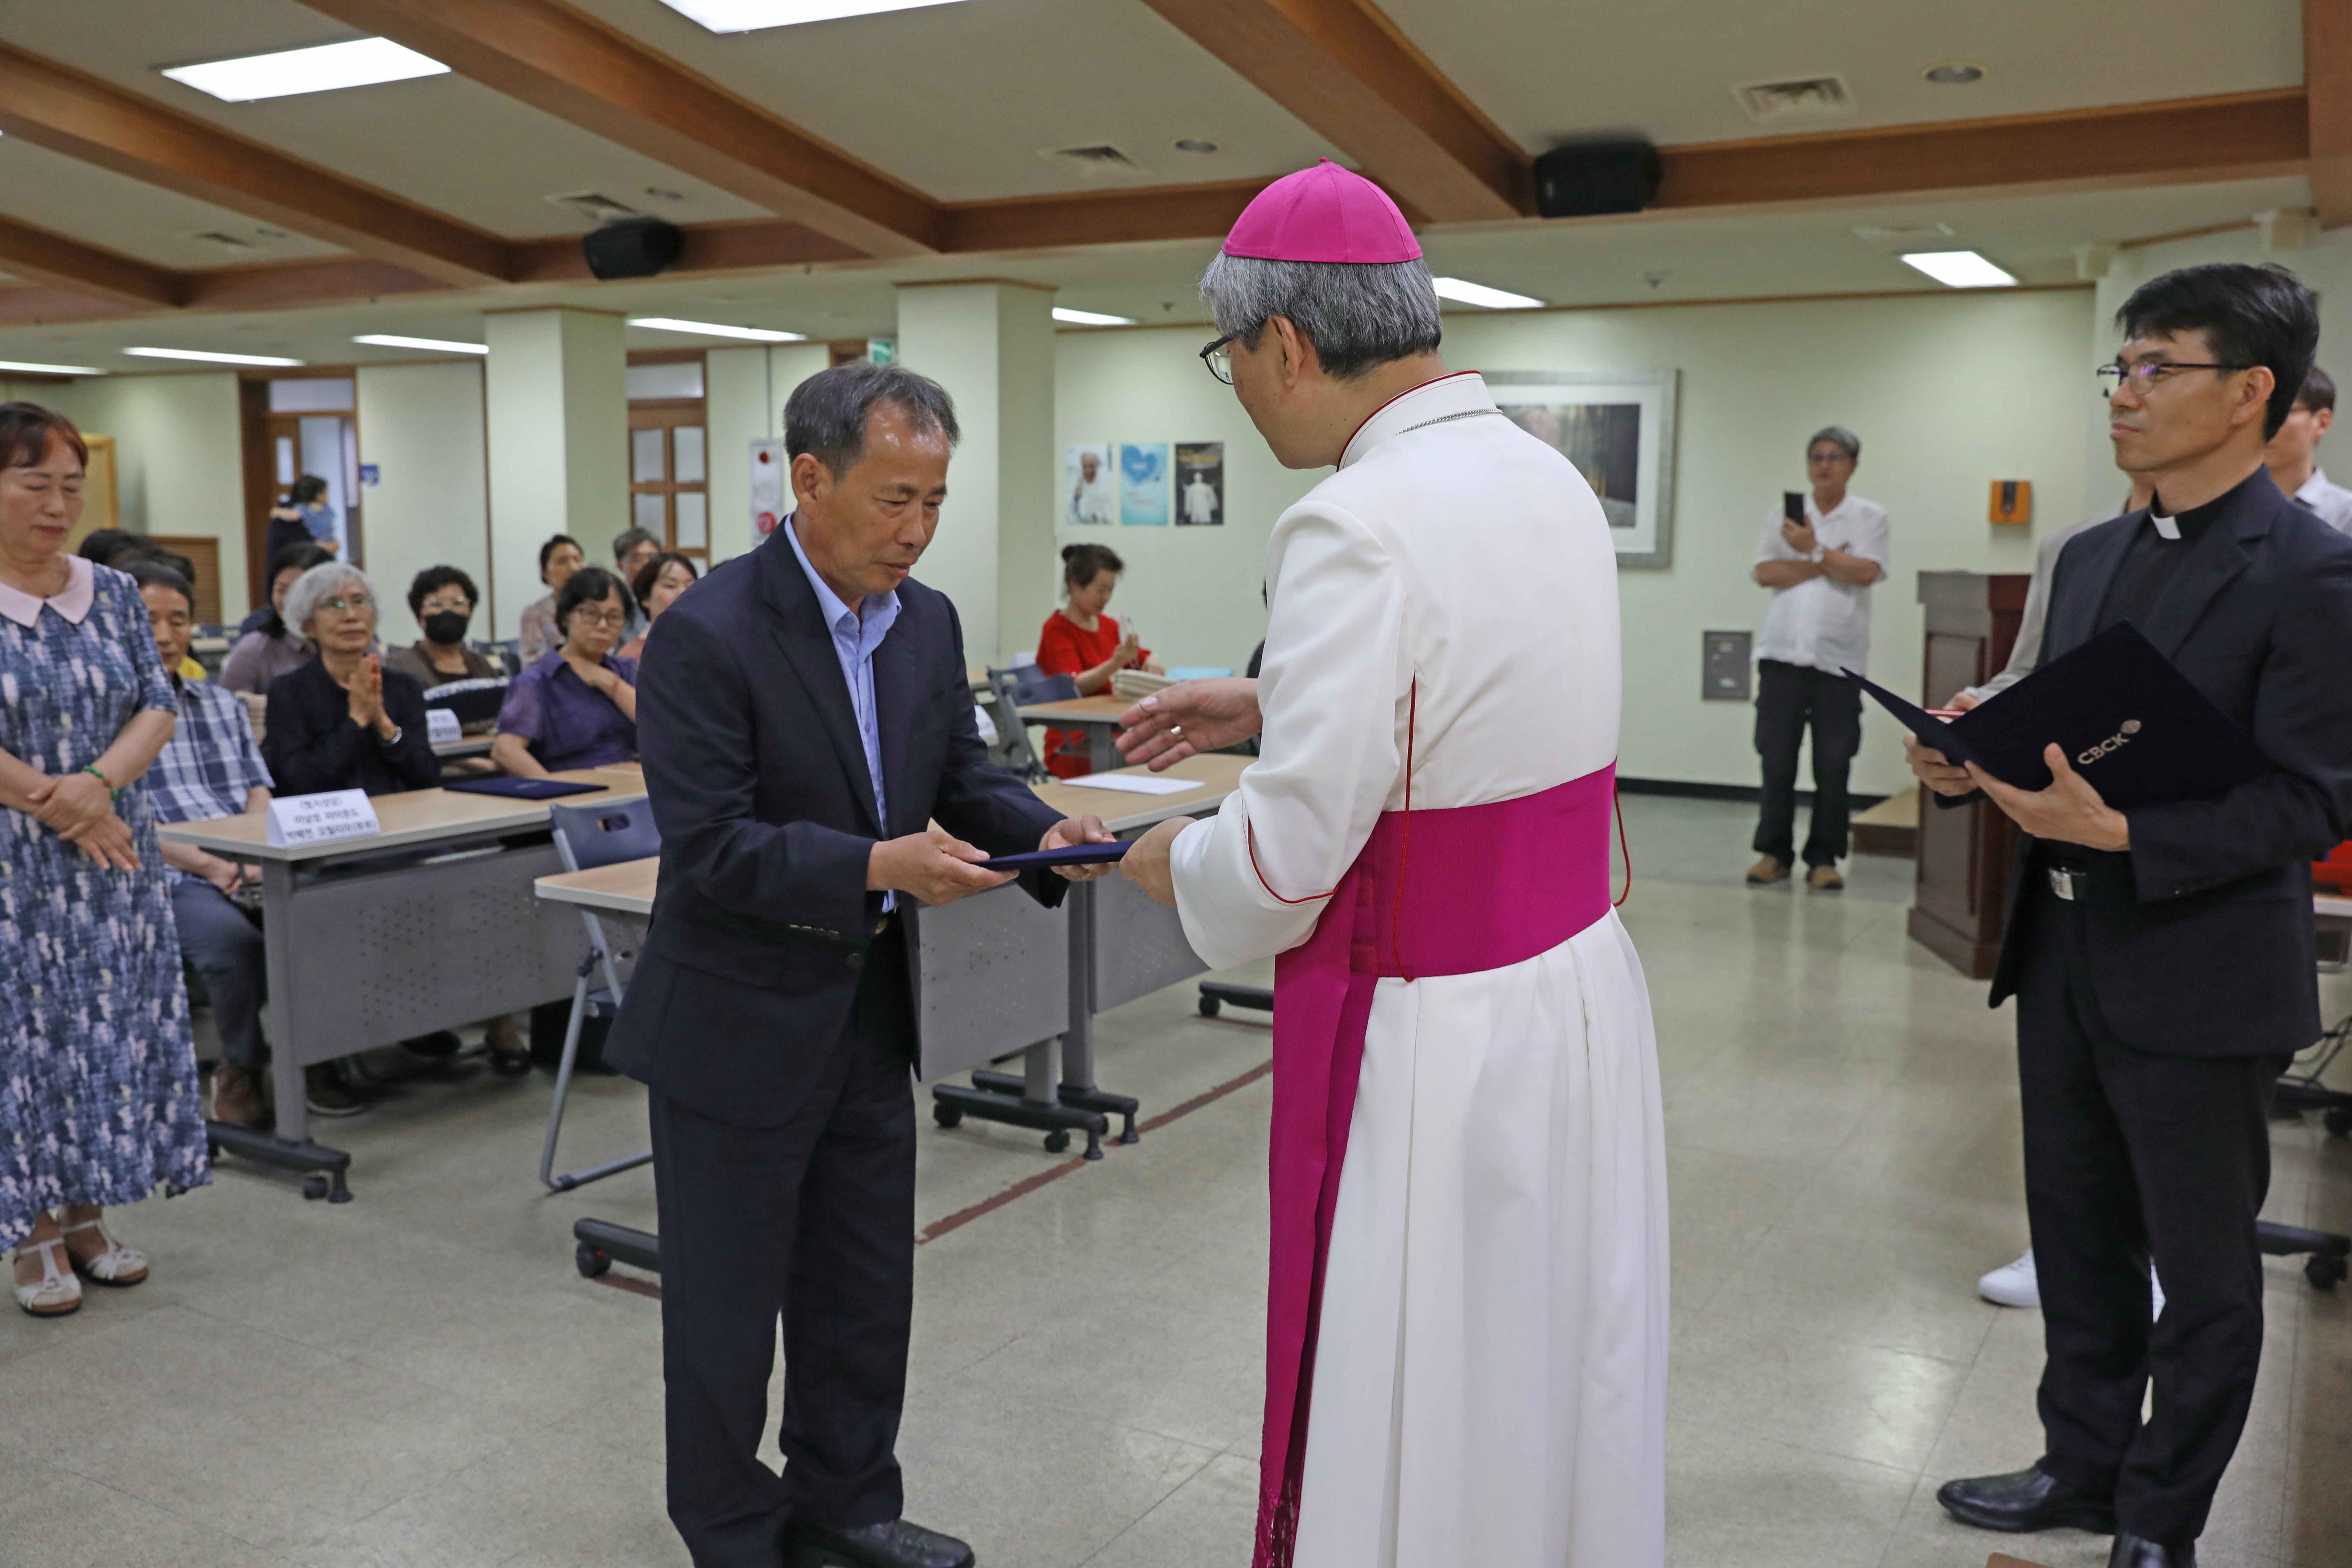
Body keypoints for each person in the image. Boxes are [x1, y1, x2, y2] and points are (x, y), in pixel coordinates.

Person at [1112, 161, 1667, 1568]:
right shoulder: (1539, 470)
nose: (1232, 384)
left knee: (1429, 1358)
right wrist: (1273, 703)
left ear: (1287, 346)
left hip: (1439, 1026)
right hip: (1571, 984)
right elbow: (1480, 701)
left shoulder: (1352, 521)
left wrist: (1166, 853)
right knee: (1544, 1344)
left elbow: (1290, 866)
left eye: (1226, 356)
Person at [604, 361, 1113, 1568]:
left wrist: (1039, 828)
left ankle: (849, 1505)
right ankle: (732, 1529)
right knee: (727, 1313)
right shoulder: (708, 633)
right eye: (896, 501)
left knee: (862, 1291)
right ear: (811, 479)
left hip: (870, 1016)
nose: (919, 532)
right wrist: (878, 866)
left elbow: (955, 776)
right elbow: (714, 848)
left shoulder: (923, 622)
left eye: (936, 501)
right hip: (734, 1025)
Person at [1910, 263, 2352, 1568]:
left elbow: (2309, 802)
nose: (2127, 393)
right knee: (2075, 1231)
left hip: (2200, 962)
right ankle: (2078, 1463)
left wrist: (2124, 832)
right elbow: (2051, 715)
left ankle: (2161, 1518)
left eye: (2160, 368)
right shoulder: (2094, 550)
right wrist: (1964, 752)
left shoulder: (2310, 573)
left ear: (2248, 395)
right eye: (2122, 367)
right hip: (2061, 949)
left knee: (2201, 1269)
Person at [0, 402, 206, 1319]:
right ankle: (33, 1232)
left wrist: (96, 786)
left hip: (115, 860)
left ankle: (87, 1216)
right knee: (27, 1047)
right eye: (34, 484)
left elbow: (157, 704)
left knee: (106, 1034)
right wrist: (66, 805)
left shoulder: (113, 592)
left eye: (70, 487)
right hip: (16, 867)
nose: (57, 505)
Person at [264, 562, 529, 1074]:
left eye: (360, 602)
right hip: (332, 843)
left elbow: (426, 775)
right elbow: (301, 781)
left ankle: (489, 1013)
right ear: (307, 624)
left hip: (406, 835)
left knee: (488, 875)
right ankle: (329, 1055)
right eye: (334, 606)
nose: (351, 615)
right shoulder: (290, 693)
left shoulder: (402, 688)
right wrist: (356, 721)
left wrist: (384, 723)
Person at [129, 560, 364, 1122]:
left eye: (179, 620)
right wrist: (211, 866)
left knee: (326, 916)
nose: (165, 635)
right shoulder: (103, 713)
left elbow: (258, 786)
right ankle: (240, 1065)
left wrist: (254, 854)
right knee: (234, 944)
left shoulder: (217, 703)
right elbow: (128, 819)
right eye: (149, 620)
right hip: (165, 870)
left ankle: (316, 1057)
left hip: (249, 859)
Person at [1745, 426, 1888, 892]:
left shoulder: (1869, 517)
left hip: (1838, 665)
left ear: (1853, 465)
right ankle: (1774, 854)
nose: (1824, 465)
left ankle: (1824, 859)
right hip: (1781, 658)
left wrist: (1813, 551)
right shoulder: (1784, 515)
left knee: (1834, 763)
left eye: (1835, 457)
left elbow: (1866, 572)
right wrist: (1827, 561)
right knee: (1777, 761)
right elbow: (1766, 572)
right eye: (1816, 457)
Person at [491, 566, 638, 778]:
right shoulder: (537, 681)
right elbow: (506, 751)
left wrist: (613, 685)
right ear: (565, 617)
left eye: (614, 616)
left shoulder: (627, 671)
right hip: (575, 792)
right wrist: (554, 792)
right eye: (590, 614)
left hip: (631, 788)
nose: (603, 625)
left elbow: (661, 729)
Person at [1034, 541, 1163, 778]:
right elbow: (1075, 686)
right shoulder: (1056, 630)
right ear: (1075, 585)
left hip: (1114, 731)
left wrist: (1152, 661)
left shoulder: (1111, 626)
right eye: (1100, 589)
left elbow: (1142, 656)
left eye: (1111, 590)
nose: (1106, 597)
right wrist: (1115, 663)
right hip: (1073, 741)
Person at [221, 542, 332, 694]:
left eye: (300, 591)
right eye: (282, 590)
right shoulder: (254, 649)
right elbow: (228, 707)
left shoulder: (355, 641)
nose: (289, 601)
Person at [2261, 364, 2352, 532]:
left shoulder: (2345, 515)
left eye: (2281, 412)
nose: (2264, 425)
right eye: (2257, 411)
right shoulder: (2222, 505)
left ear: (2322, 422)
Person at [383, 565, 497, 690]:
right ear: (419, 616)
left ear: (470, 613)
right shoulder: (397, 669)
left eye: (458, 603)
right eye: (436, 604)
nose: (448, 610)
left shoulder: (483, 667)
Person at [619, 550, 699, 660]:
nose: (683, 593)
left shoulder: (707, 646)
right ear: (646, 598)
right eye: (671, 586)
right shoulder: (632, 657)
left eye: (690, 586)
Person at [517, 533, 584, 663]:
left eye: (577, 560)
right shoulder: (535, 614)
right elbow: (533, 663)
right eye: (562, 562)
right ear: (545, 573)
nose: (573, 568)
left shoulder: (597, 609)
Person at [263, 475, 338, 568]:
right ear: (318, 496)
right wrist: (329, 546)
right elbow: (304, 547)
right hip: (294, 571)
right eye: (325, 493)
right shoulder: (292, 520)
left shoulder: (319, 511)